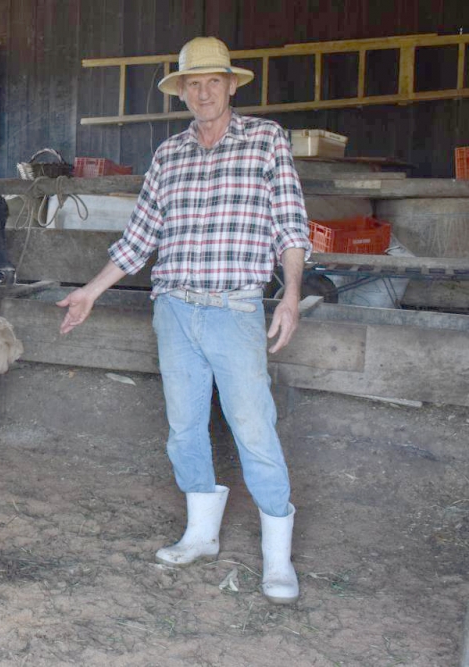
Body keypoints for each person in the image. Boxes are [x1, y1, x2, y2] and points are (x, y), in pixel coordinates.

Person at [57, 36, 311, 604]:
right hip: (173, 308)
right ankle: (201, 535)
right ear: (183, 92)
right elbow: (139, 239)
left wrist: (290, 296)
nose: (203, 92)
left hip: (235, 307)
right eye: (192, 84)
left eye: (212, 82)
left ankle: (277, 558)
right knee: (184, 428)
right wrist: (90, 292)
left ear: (230, 86)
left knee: (253, 429)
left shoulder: (266, 142)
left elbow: (291, 227)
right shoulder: (168, 155)